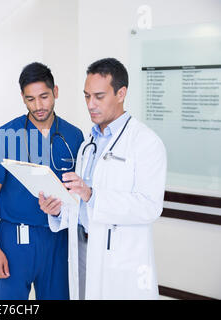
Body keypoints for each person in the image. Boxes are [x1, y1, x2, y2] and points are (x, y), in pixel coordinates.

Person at [39, 58, 167, 300]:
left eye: (99, 96)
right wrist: (57, 210)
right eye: (86, 96)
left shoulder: (145, 142)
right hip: (83, 250)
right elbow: (81, 204)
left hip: (120, 257)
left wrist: (93, 195)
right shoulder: (89, 143)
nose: (90, 104)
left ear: (121, 93)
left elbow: (150, 207)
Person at [0, 62, 84, 300]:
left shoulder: (74, 136)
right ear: (23, 98)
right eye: (30, 99)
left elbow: (80, 191)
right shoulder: (5, 135)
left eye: (44, 97)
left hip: (58, 241)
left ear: (55, 92)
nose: (38, 106)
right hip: (15, 239)